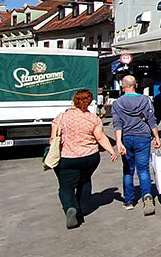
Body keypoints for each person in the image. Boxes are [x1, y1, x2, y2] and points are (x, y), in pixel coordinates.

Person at [50, 89, 119, 230]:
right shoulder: (94, 119)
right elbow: (100, 137)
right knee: (85, 181)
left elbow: (53, 139)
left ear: (74, 100)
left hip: (68, 157)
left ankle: (70, 208)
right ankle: (82, 208)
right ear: (89, 102)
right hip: (90, 157)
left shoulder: (62, 117)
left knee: (66, 186)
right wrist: (112, 151)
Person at [112, 75, 161, 214]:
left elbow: (117, 124)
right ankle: (147, 196)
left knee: (128, 170)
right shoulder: (145, 100)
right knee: (143, 169)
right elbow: (152, 120)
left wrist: (118, 142)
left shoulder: (118, 103)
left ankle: (129, 201)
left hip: (126, 137)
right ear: (136, 85)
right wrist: (156, 137)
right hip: (143, 137)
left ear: (123, 86)